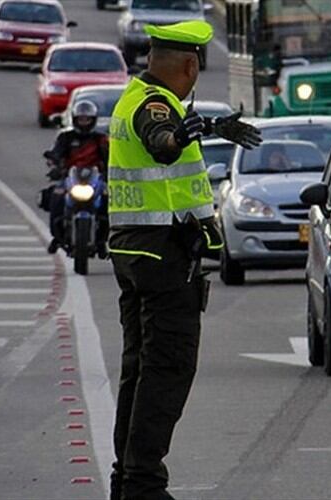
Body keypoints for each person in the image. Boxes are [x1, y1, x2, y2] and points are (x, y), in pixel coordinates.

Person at [106, 20, 261, 500]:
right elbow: (161, 140)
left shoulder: (133, 96)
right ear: (191, 65)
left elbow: (166, 135)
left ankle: (127, 479)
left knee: (141, 367)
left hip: (134, 251)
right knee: (168, 367)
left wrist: (210, 126)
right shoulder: (156, 106)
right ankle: (144, 485)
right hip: (161, 258)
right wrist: (180, 136)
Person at [44, 100, 109, 255]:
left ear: (93, 120)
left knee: (108, 201)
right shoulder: (66, 137)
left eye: (87, 119)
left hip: (95, 178)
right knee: (56, 198)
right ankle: (57, 237)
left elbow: (109, 157)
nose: (84, 122)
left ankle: (102, 240)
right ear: (75, 119)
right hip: (71, 177)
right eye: (81, 119)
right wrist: (54, 164)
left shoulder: (100, 139)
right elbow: (56, 153)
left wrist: (110, 172)